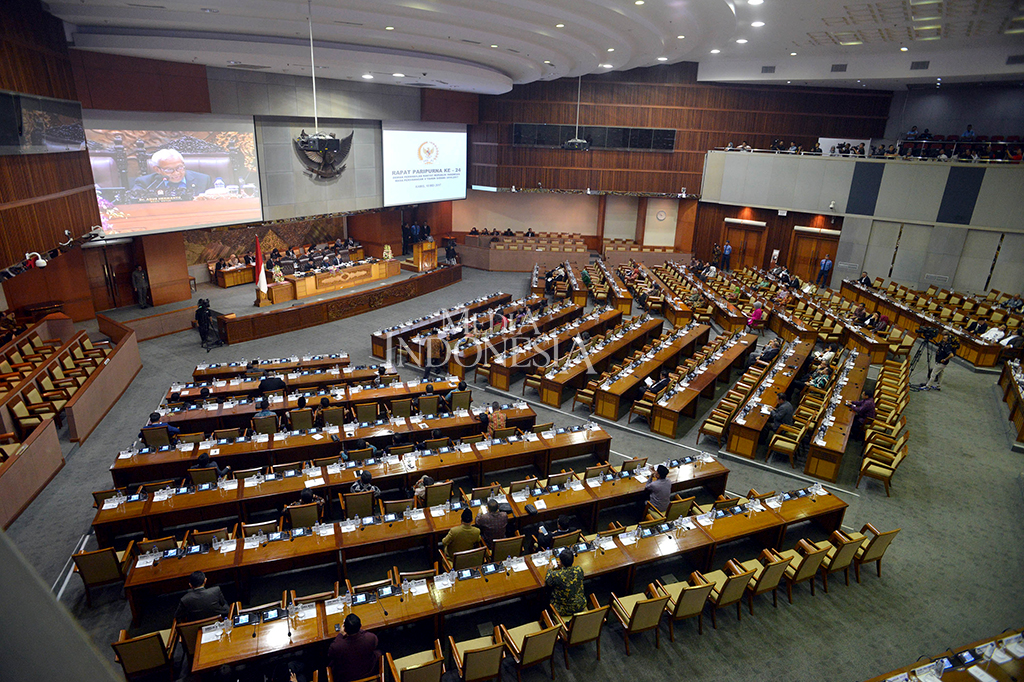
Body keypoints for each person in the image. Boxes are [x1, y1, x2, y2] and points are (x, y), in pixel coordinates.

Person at [132, 149, 213, 194]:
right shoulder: (145, 183)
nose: (176, 173)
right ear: (157, 169)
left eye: (179, 168)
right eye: (169, 170)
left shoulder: (204, 180)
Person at [327, 614, 380, 682]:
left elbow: (330, 655)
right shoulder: (371, 637)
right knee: (378, 652)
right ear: (360, 626)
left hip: (346, 677)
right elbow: (375, 644)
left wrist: (340, 634)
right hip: (368, 672)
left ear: (344, 629)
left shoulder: (336, 646)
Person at [545, 549, 585, 617]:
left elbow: (548, 582)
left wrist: (550, 569)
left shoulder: (557, 575)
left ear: (560, 562)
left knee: (547, 594)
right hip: (580, 605)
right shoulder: (579, 569)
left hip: (564, 609)